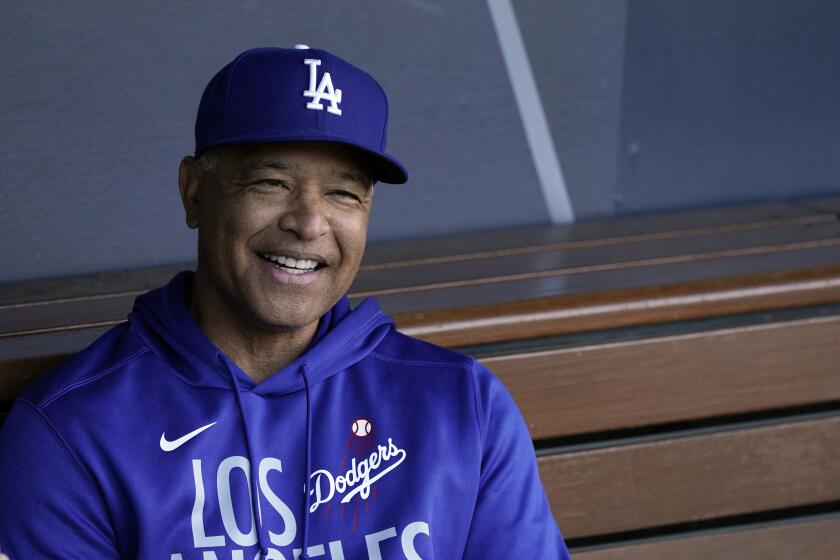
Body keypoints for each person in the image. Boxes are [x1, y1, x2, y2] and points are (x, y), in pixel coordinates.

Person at [0, 46, 569, 559]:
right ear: (194, 193)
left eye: (344, 193)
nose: (309, 223)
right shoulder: (71, 430)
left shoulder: (462, 406)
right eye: (271, 183)